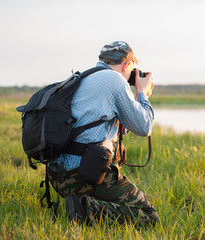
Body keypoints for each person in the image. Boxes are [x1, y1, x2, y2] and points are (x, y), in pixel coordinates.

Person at [47, 41, 159, 226]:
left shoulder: (83, 78)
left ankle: (79, 202)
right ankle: (82, 208)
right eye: (133, 67)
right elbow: (145, 127)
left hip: (59, 176)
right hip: (85, 174)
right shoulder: (115, 81)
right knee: (150, 217)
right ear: (127, 65)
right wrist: (142, 94)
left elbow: (114, 125)